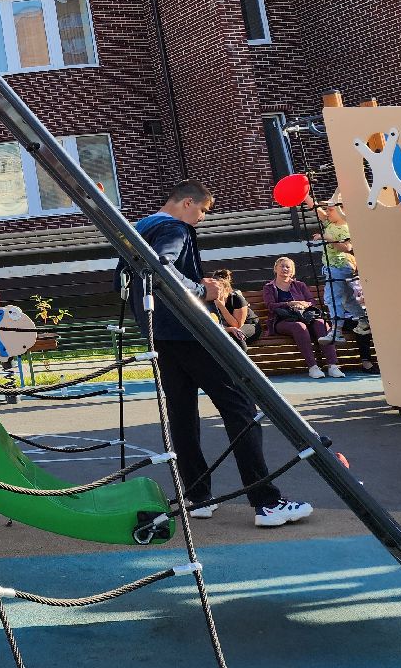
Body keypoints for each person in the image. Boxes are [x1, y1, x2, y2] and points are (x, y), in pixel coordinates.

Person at [124, 181, 312, 528]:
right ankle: (266, 502)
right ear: (187, 203)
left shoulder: (139, 228)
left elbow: (134, 277)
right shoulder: (173, 227)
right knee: (240, 408)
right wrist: (201, 288)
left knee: (182, 414)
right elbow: (161, 265)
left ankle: (197, 496)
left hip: (160, 336)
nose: (201, 219)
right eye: (202, 211)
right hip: (188, 331)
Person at [314, 195, 376, 369]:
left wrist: (326, 238)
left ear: (342, 211)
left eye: (331, 209)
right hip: (333, 267)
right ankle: (363, 321)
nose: (327, 211)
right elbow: (317, 209)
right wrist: (305, 196)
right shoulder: (330, 224)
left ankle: (336, 331)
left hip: (339, 266)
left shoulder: (345, 226)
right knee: (347, 300)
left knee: (331, 297)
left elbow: (346, 247)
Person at [262, 257, 343, 380]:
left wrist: (304, 304)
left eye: (287, 267)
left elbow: (311, 301)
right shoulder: (269, 287)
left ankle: (332, 366)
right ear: (276, 268)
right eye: (282, 266)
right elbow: (270, 306)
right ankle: (313, 367)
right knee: (299, 326)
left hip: (304, 316)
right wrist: (290, 304)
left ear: (292, 271)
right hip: (282, 320)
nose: (284, 269)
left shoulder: (299, 285)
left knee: (321, 323)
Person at [209, 269, 256, 346]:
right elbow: (213, 323)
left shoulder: (236, 299)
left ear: (226, 289)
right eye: (214, 288)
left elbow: (237, 325)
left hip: (248, 325)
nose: (217, 292)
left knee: (237, 336)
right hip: (227, 328)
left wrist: (221, 307)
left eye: (219, 289)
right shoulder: (210, 299)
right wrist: (228, 329)